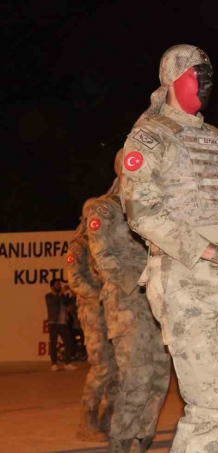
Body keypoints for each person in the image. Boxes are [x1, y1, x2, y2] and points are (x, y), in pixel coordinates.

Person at [120, 44, 218, 453]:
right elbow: (142, 213)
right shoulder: (150, 135)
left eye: (208, 75)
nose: (205, 83)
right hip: (186, 278)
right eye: (196, 74)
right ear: (172, 79)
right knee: (210, 407)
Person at [87, 152, 171, 453]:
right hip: (126, 303)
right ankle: (121, 442)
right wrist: (137, 285)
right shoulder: (104, 209)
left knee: (160, 374)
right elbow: (102, 258)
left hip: (156, 302)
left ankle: (142, 438)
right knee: (136, 375)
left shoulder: (148, 210)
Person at [66, 217, 117, 441]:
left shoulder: (105, 242)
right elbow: (75, 281)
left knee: (116, 367)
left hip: (112, 312)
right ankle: (87, 422)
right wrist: (102, 296)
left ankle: (107, 420)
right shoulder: (79, 246)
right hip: (94, 313)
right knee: (102, 367)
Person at [45, 279, 76, 372]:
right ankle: (54, 364)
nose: (60, 286)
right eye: (58, 285)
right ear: (52, 287)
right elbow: (54, 302)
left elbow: (70, 303)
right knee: (53, 344)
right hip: (53, 323)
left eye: (60, 284)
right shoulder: (48, 296)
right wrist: (62, 292)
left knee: (68, 343)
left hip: (63, 323)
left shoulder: (63, 296)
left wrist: (73, 293)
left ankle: (67, 363)